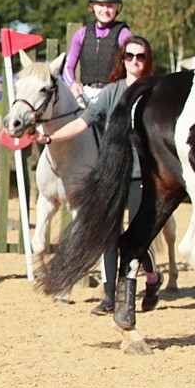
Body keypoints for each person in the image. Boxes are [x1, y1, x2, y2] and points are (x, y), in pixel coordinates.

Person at [38, 36, 161, 315]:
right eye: (129, 56)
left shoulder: (155, 91)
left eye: (140, 56)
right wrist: (51, 138)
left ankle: (153, 278)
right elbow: (83, 122)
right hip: (112, 173)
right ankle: (110, 297)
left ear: (147, 60)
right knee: (108, 236)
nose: (134, 61)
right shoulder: (111, 92)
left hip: (142, 173)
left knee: (138, 237)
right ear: (122, 59)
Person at [62, 0, 133, 106]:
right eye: (100, 5)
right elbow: (68, 67)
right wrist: (72, 84)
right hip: (85, 95)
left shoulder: (124, 35)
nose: (105, 10)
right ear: (92, 6)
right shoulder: (81, 34)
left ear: (117, 7)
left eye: (110, 6)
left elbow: (134, 65)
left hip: (114, 94)